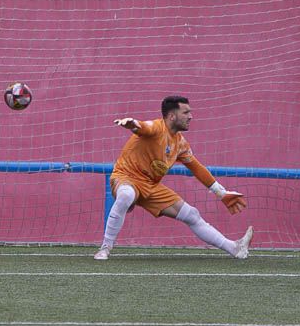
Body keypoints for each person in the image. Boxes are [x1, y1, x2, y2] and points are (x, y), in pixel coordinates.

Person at [94, 96, 252, 261]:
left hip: (151, 186)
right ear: (171, 116)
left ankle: (235, 249)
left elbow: (197, 168)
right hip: (126, 176)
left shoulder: (180, 144)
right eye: (185, 112)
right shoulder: (156, 128)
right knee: (126, 195)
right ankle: (105, 248)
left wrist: (221, 193)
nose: (190, 116)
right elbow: (142, 127)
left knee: (192, 215)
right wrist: (132, 123)